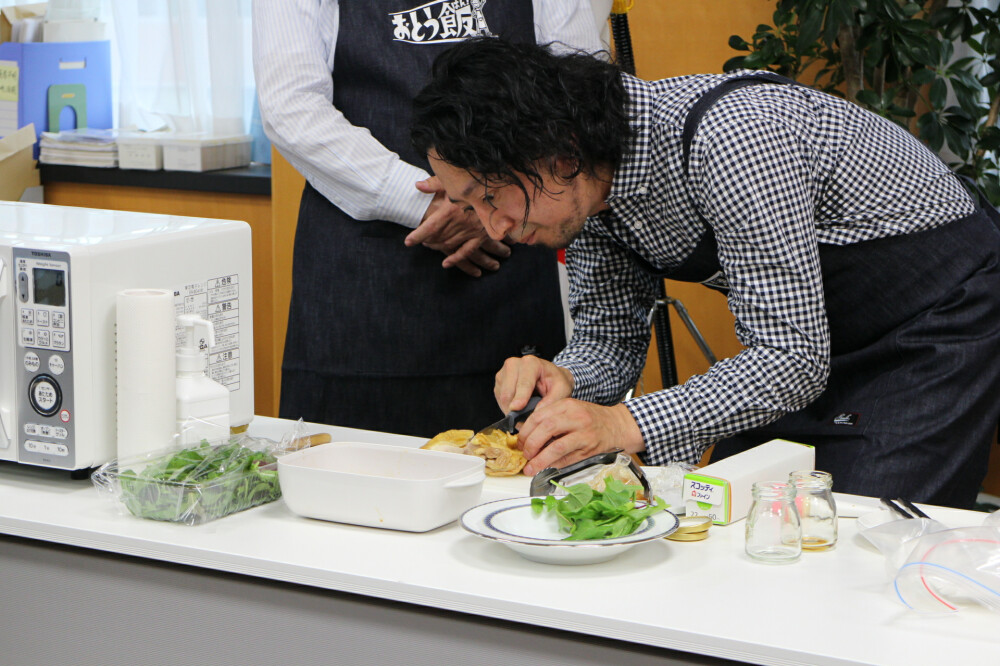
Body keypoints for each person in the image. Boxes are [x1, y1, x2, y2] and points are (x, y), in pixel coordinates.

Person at [410, 37, 1000, 509]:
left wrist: (623, 423)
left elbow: (791, 360)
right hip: (810, 343)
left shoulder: (731, 137)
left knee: (860, 536)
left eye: (490, 196)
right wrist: (564, 380)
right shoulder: (582, 192)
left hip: (936, 318)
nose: (492, 228)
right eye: (470, 206)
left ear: (558, 152)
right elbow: (609, 341)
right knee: (735, 517)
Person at [252, 2, 605, 437]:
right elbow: (290, 107)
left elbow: (580, 82)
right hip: (366, 273)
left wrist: (490, 205)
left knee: (521, 457)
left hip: (515, 242)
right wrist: (430, 202)